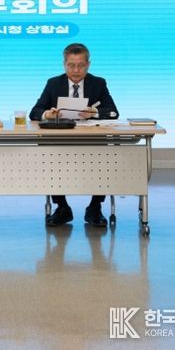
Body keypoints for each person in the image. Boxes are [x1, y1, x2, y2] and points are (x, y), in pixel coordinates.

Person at [29, 42, 119, 227]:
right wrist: (48, 114)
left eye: (80, 65)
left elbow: (113, 112)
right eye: (71, 65)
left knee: (104, 160)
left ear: (88, 65)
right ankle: (62, 207)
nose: (76, 70)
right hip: (60, 140)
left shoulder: (98, 83)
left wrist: (94, 113)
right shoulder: (54, 83)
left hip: (92, 140)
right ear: (64, 64)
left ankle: (95, 207)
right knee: (50, 158)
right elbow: (34, 112)